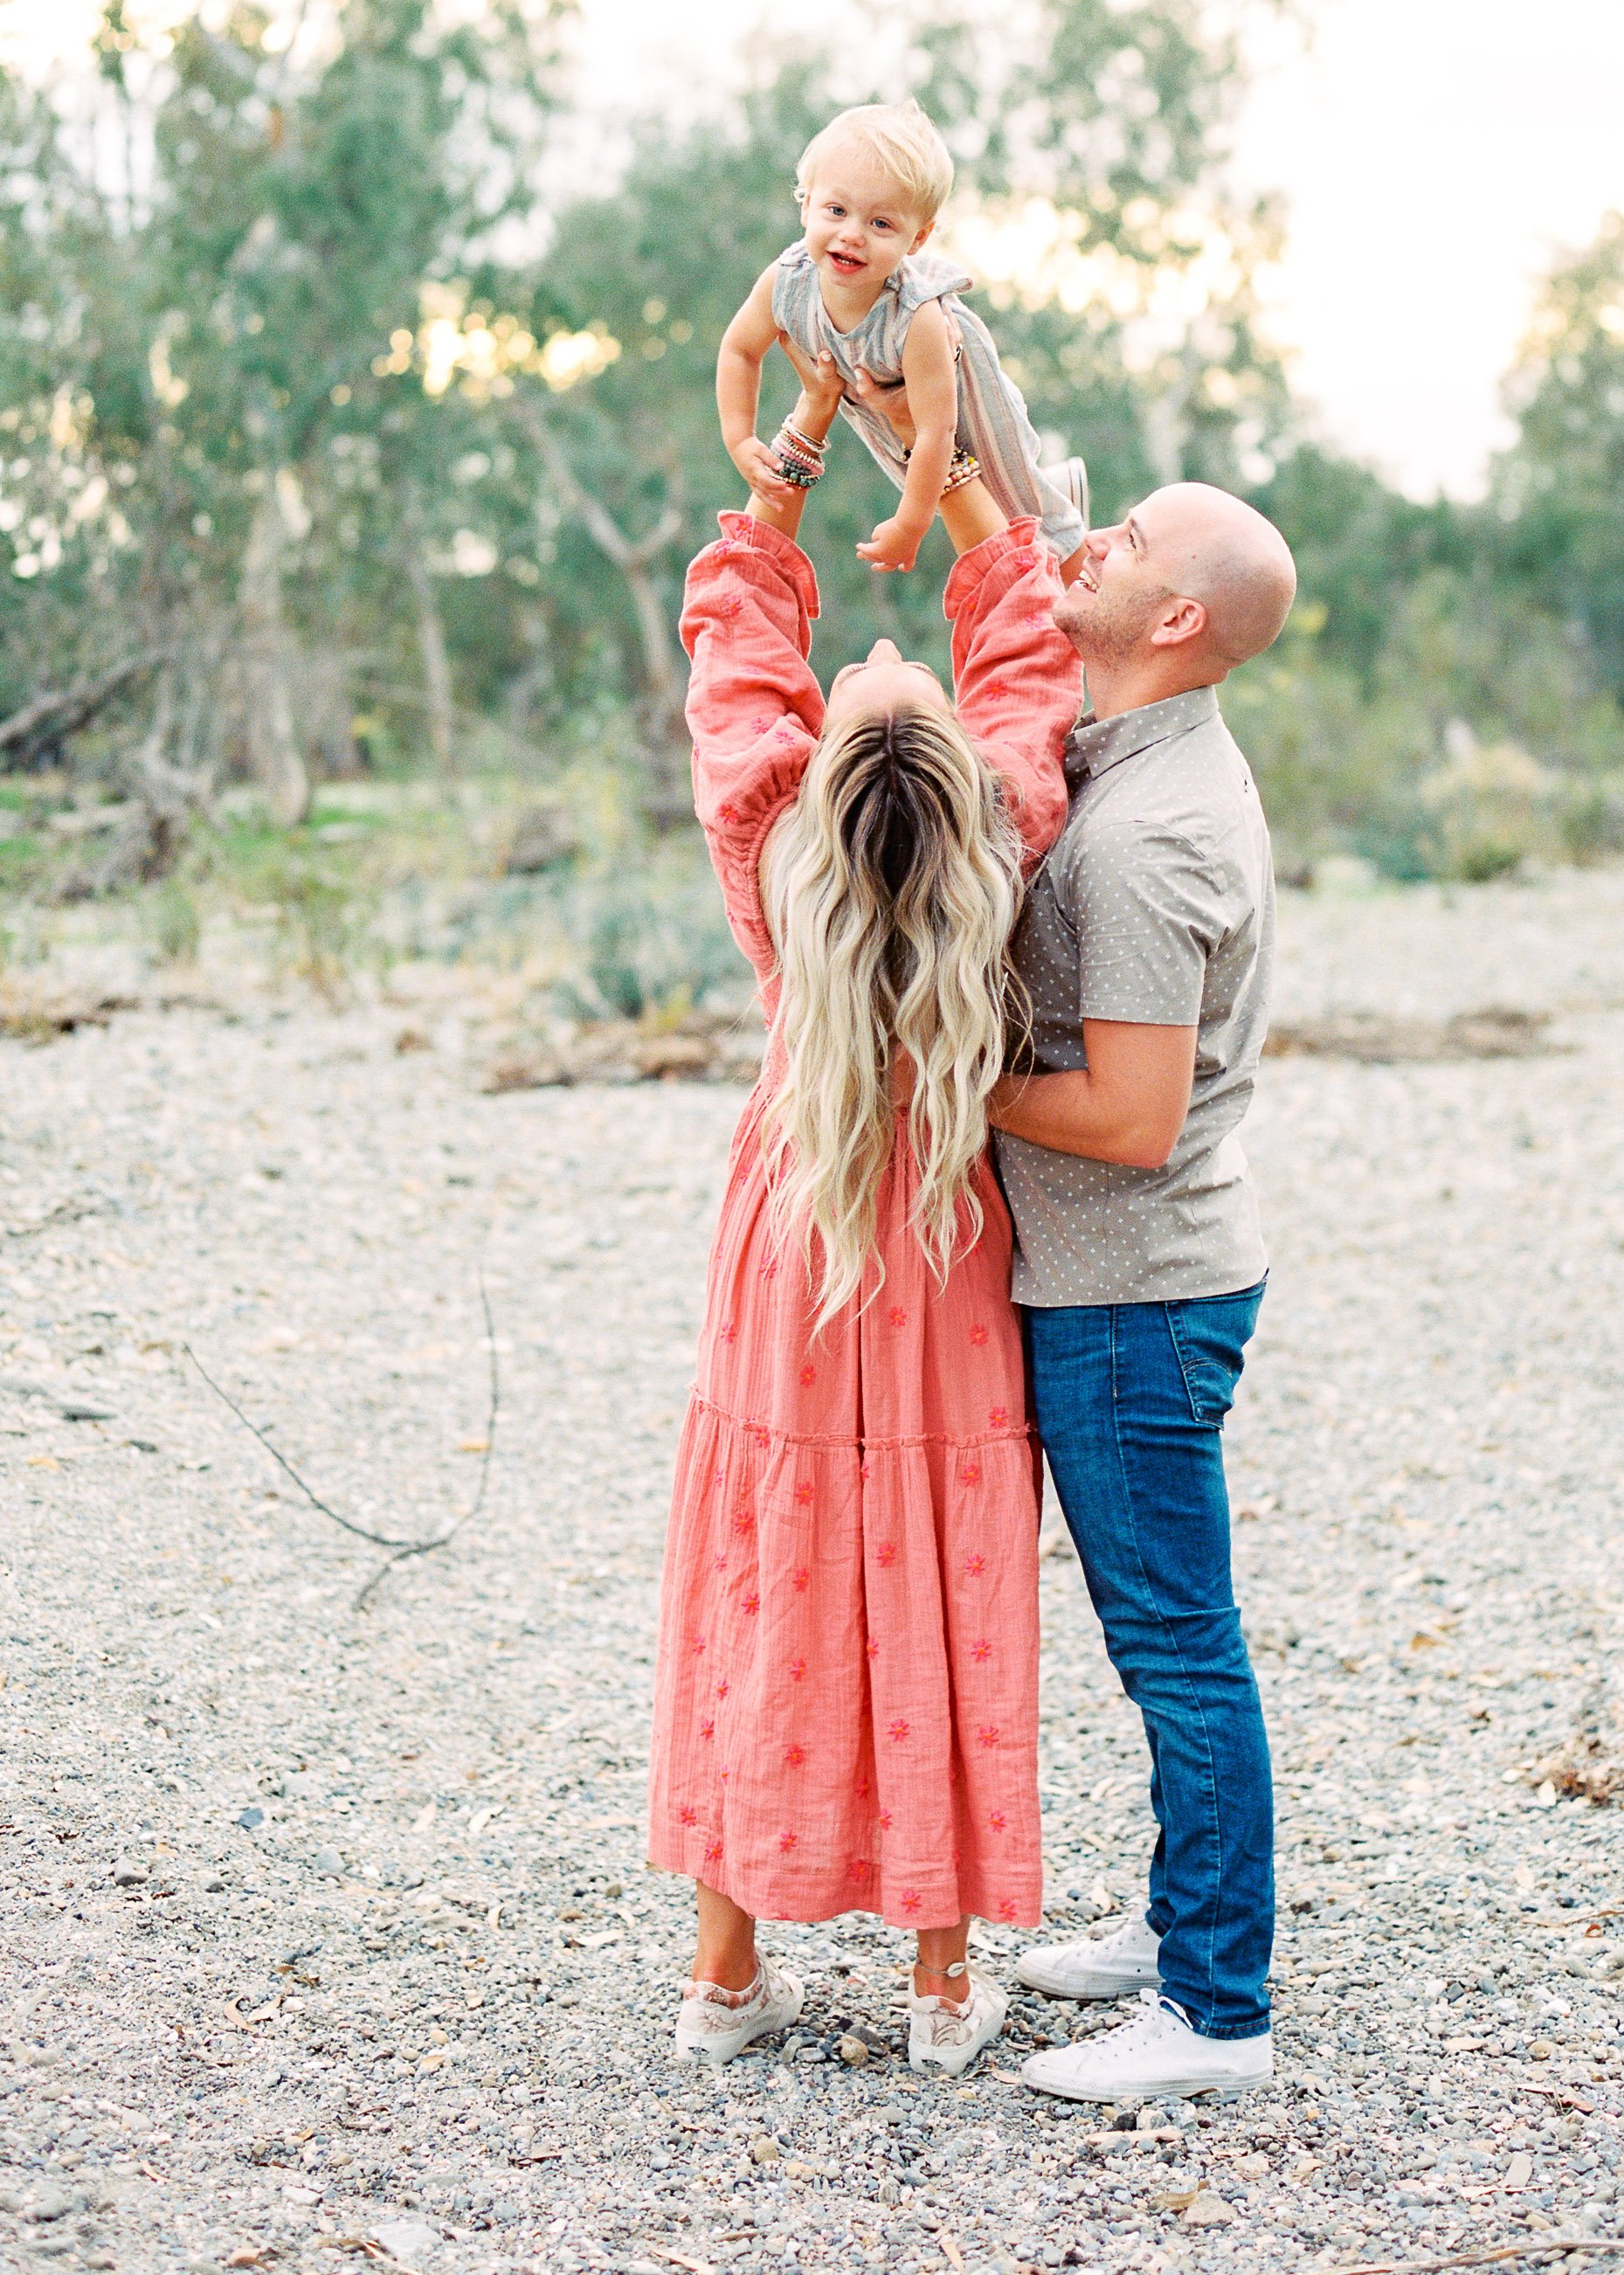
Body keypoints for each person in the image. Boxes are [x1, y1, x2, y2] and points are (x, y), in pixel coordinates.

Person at [647, 359, 1083, 2076]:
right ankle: (933, 1980)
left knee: (767, 1570)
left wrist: (787, 474)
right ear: (958, 788)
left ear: (829, 780)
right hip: (936, 1225)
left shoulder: (774, 847)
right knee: (939, 1570)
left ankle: (724, 1972)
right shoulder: (1003, 840)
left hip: (794, 1219)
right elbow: (1029, 657)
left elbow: (734, 660)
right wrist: (958, 475)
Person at [987, 483, 1300, 2105]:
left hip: (1132, 1294)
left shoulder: (1149, 833)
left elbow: (1127, 1117)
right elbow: (1044, 543)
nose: (1089, 548)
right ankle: (1185, 1920)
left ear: (1174, 621)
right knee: (1160, 1634)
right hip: (1143, 1279)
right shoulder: (1143, 754)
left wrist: (945, 1077)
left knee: (1179, 1644)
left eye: (1126, 548)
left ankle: (1215, 2007)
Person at [711, 98, 1088, 577]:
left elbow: (936, 431)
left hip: (962, 408)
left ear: (917, 239)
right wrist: (739, 439)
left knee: (1018, 510)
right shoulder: (786, 280)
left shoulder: (917, 316)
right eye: (836, 209)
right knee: (945, 500)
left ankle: (1080, 567)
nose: (852, 235)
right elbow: (739, 350)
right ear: (806, 206)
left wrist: (910, 526)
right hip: (886, 416)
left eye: (881, 223)